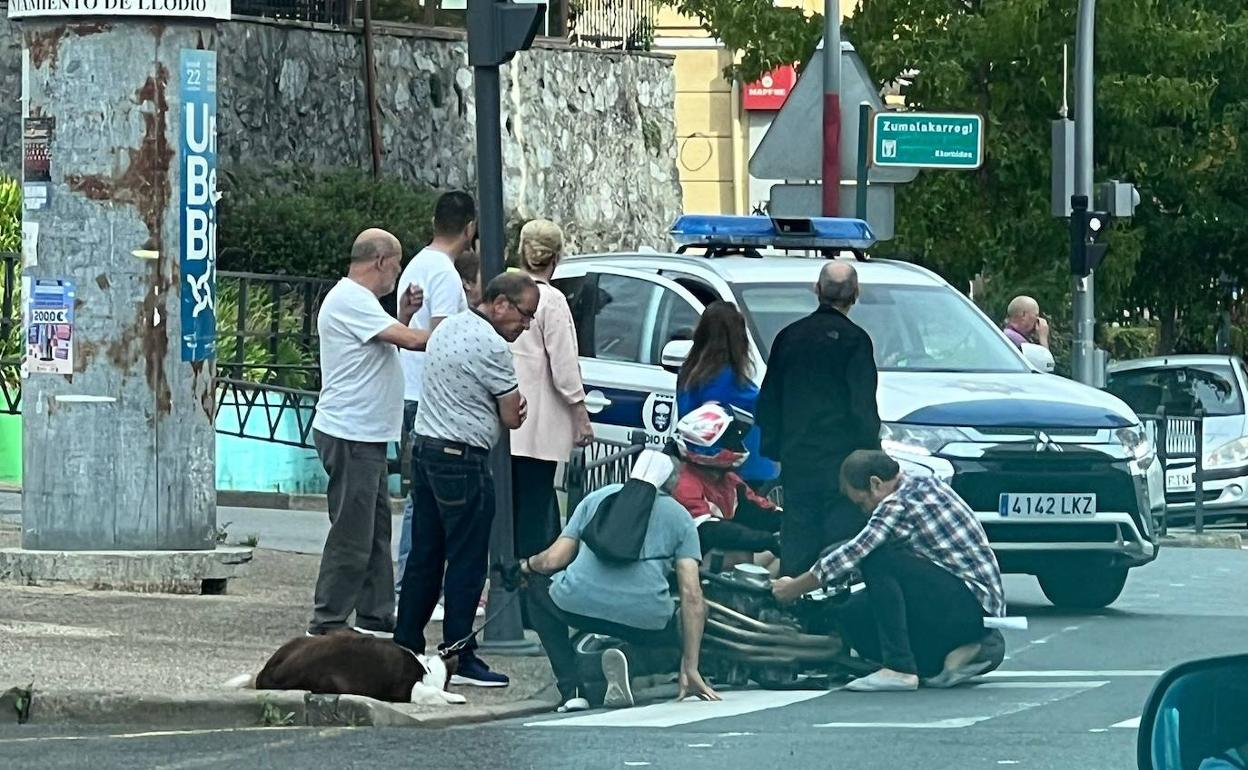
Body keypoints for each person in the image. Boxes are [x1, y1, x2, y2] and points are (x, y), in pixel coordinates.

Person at [394, 271, 539, 688]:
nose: (525, 325)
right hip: (463, 459)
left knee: (425, 553)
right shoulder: (492, 345)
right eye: (524, 315)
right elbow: (511, 415)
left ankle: (406, 643)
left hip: (425, 450)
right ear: (500, 304)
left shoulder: (450, 325)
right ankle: (459, 654)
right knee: (466, 560)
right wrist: (512, 409)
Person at [772, 450, 1007, 692]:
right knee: (849, 612)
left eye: (862, 502)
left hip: (970, 605)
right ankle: (949, 658)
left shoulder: (899, 501)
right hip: (958, 606)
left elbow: (859, 550)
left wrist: (792, 588)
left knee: (878, 557)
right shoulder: (920, 482)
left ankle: (900, 669)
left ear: (875, 484)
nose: (864, 511)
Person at [518, 448, 722, 712]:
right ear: (673, 483)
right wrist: (690, 664)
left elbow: (553, 561)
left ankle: (572, 689)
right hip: (644, 621)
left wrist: (526, 566)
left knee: (536, 586)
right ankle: (630, 661)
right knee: (689, 621)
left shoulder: (597, 498)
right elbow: (691, 595)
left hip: (577, 607)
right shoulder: (681, 518)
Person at [307, 229, 428, 637]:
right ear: (380, 261)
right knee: (352, 532)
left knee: (376, 530)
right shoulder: (350, 300)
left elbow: (388, 339)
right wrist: (460, 332)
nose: (398, 271)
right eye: (396, 263)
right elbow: (408, 341)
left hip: (365, 433)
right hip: (351, 432)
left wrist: (404, 314)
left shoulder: (361, 304)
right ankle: (328, 620)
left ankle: (376, 615)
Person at [756, 261, 881, 576]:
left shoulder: (789, 337)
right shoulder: (857, 341)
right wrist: (871, 456)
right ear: (856, 293)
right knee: (840, 535)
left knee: (798, 532)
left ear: (817, 290)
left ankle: (793, 604)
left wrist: (775, 449)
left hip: (799, 458)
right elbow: (862, 407)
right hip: (844, 462)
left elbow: (769, 399)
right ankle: (831, 606)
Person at [394, 191, 477, 600]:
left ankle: (413, 583)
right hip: (430, 397)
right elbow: (445, 339)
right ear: (470, 228)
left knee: (421, 495)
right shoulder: (443, 273)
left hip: (412, 391)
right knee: (427, 498)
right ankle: (411, 583)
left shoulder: (416, 263)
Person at [509, 219, 595, 560]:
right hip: (540, 425)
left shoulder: (504, 293)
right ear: (556, 258)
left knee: (511, 503)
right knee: (536, 502)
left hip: (507, 417)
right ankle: (531, 576)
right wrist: (580, 413)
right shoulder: (552, 300)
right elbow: (563, 367)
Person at [676, 301, 778, 488]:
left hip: (704, 468)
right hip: (740, 471)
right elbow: (711, 421)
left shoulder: (690, 373)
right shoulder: (723, 377)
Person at [670, 402, 782, 559]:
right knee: (747, 556)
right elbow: (708, 531)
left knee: (776, 555)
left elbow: (758, 508)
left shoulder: (728, 479)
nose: (736, 445)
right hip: (689, 559)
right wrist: (765, 540)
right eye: (729, 440)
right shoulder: (685, 483)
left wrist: (790, 522)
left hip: (712, 553)